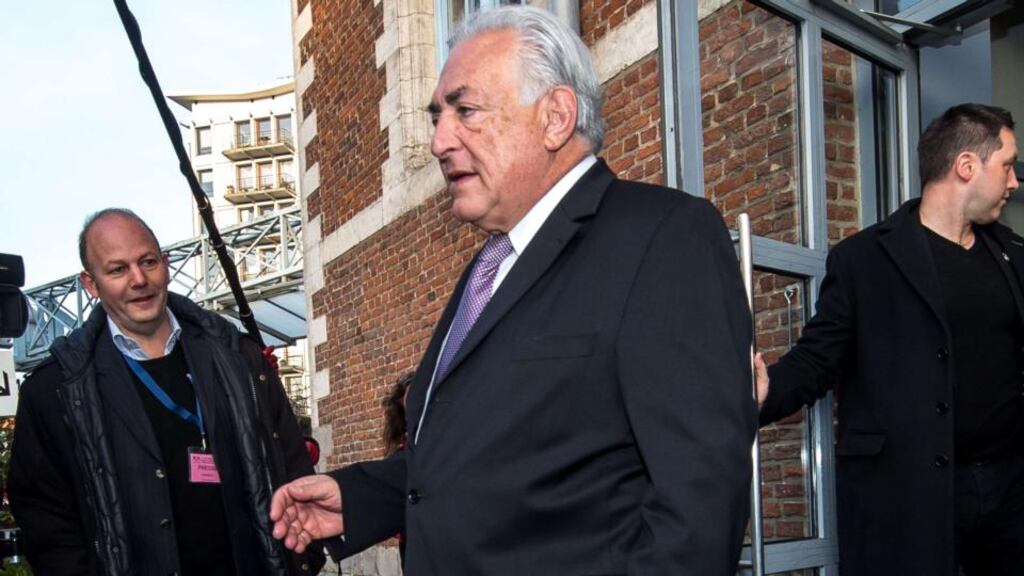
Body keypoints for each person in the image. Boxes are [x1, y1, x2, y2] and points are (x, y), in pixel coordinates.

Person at [269, 6, 757, 575]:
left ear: (554, 116)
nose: (438, 141)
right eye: (436, 117)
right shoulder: (490, 265)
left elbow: (697, 517)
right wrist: (359, 498)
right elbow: (493, 461)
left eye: (465, 111)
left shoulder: (664, 239)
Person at [755, 103, 1021, 576]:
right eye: (1007, 165)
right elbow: (818, 359)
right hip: (911, 497)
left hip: (1010, 491)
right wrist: (766, 390)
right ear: (966, 166)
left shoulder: (1013, 253)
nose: (1014, 182)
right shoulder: (865, 260)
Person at [8, 208, 326, 575]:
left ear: (167, 263)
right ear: (91, 284)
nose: (138, 279)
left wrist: (302, 558)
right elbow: (45, 516)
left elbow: (288, 457)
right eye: (117, 270)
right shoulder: (57, 389)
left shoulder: (237, 356)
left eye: (147, 262)